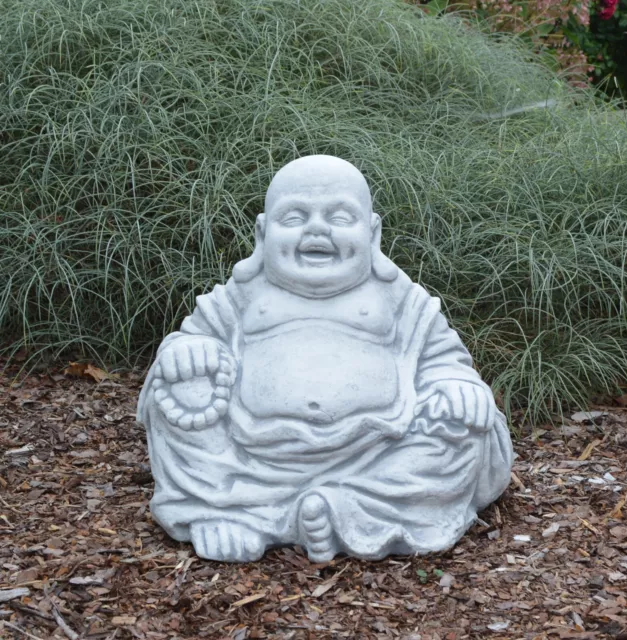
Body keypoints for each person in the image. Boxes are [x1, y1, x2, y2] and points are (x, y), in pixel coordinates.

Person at [137, 155, 513, 562]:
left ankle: (348, 507)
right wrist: (190, 354)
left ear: (372, 234)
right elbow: (192, 340)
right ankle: (223, 510)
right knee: (175, 389)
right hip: (252, 462)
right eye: (295, 217)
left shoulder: (399, 298)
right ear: (263, 235)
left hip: (378, 451)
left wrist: (455, 386)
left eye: (339, 217)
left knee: (467, 425)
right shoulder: (241, 297)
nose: (318, 229)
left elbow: (440, 357)